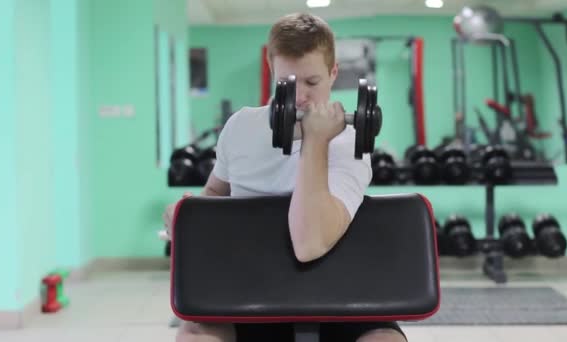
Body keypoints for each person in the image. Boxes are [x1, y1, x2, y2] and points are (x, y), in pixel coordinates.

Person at [162, 12, 407, 342]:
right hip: (250, 290)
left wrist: (316, 140)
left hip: (336, 294)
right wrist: (187, 217)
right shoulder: (240, 127)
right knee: (194, 335)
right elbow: (215, 195)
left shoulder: (350, 144)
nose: (300, 96)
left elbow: (310, 244)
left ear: (333, 73)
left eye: (312, 82)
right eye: (288, 83)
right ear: (271, 69)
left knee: (384, 340)